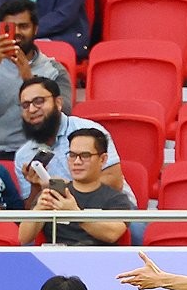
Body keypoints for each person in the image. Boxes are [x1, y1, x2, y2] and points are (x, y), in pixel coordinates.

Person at [0, 0, 73, 162]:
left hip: (29, 152)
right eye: (9, 28)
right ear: (0, 29)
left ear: (35, 29)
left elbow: (63, 114)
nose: (16, 33)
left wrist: (29, 81)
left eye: (23, 26)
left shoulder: (54, 69)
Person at [13, 76, 131, 207]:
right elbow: (31, 211)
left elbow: (114, 182)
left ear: (58, 103)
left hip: (110, 209)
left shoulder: (89, 131)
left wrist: (68, 189)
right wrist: (35, 187)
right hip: (59, 219)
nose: (32, 110)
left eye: (39, 101)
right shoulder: (23, 156)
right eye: (25, 105)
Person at [19, 127, 131, 245]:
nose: (77, 162)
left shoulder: (116, 199)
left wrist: (74, 212)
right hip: (55, 258)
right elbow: (23, 238)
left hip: (96, 259)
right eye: (72, 155)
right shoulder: (53, 194)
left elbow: (112, 234)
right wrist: (39, 211)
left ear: (102, 159)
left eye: (85, 155)